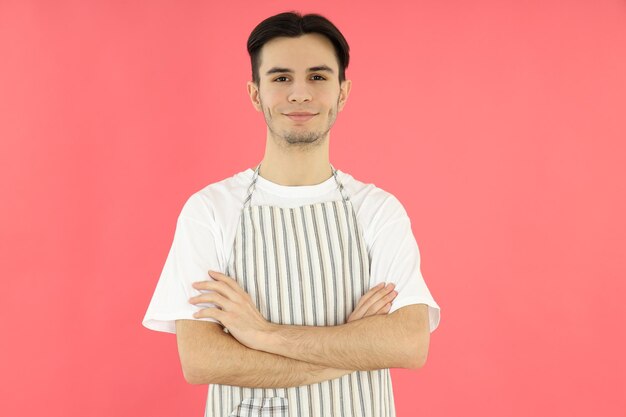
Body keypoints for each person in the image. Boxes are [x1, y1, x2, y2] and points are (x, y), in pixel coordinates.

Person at [142, 11, 441, 417]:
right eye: (281, 78)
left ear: (342, 92)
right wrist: (355, 345)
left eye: (318, 77)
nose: (300, 93)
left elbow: (408, 343)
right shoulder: (210, 210)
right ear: (255, 93)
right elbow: (201, 360)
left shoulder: (378, 211)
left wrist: (261, 334)